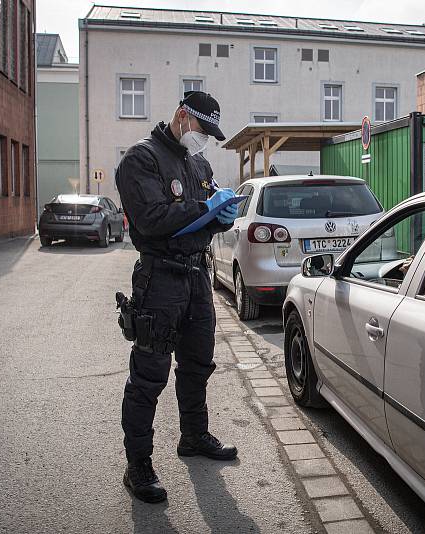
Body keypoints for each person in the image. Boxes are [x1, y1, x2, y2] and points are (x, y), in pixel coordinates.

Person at [115, 91, 239, 504]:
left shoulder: (199, 163)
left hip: (197, 277)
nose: (203, 140)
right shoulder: (141, 159)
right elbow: (151, 221)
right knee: (149, 375)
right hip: (160, 279)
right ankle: (138, 465)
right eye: (202, 130)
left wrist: (221, 218)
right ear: (183, 116)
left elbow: (202, 219)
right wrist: (203, 207)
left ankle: (194, 435)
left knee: (198, 363)